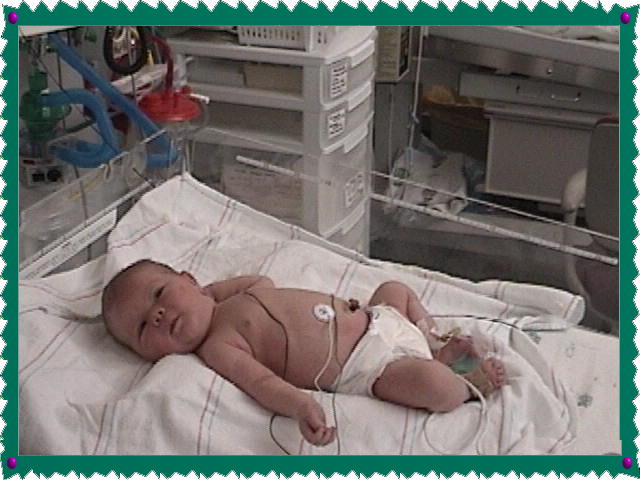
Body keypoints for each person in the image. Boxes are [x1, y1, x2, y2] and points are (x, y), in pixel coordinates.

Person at [102, 259, 506, 447]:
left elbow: (263, 279)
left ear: (189, 279)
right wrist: (299, 405)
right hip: (370, 366)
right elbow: (260, 382)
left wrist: (211, 293)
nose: (157, 314)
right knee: (433, 387)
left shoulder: (240, 295)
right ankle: (465, 384)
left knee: (394, 290)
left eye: (159, 293)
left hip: (376, 317)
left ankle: (432, 339)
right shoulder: (218, 347)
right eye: (142, 328)